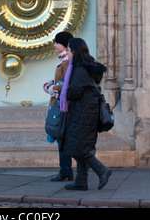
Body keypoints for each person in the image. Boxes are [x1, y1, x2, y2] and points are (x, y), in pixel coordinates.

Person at [62, 38, 112, 191]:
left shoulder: (80, 70)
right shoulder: (85, 67)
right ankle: (81, 182)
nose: (67, 53)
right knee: (81, 146)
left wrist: (63, 94)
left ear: (75, 52)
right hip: (86, 111)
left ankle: (102, 170)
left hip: (83, 113)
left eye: (69, 50)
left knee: (81, 148)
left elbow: (75, 92)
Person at [43, 31, 74, 182]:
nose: (54, 45)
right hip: (60, 104)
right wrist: (51, 84)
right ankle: (66, 171)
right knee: (62, 139)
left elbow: (68, 83)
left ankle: (66, 171)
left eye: (57, 42)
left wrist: (53, 88)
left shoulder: (67, 61)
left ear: (65, 44)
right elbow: (60, 80)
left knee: (62, 139)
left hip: (63, 106)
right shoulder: (64, 59)